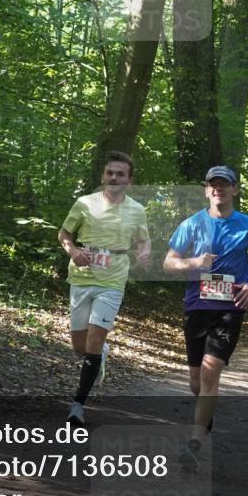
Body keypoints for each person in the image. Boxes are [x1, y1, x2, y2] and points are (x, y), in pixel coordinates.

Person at [163, 166, 248, 469]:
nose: (218, 189)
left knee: (210, 372)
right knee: (196, 381)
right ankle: (205, 421)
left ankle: (194, 444)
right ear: (206, 190)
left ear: (234, 189)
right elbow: (168, 263)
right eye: (213, 184)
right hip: (196, 306)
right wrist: (193, 262)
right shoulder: (191, 224)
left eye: (224, 184)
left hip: (230, 308)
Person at [58, 151, 150, 427]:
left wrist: (144, 252)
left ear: (129, 180)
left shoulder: (137, 210)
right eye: (110, 173)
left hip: (113, 280)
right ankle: (100, 354)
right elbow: (64, 234)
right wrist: (73, 251)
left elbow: (143, 239)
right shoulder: (84, 203)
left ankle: (78, 405)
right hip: (82, 277)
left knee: (94, 342)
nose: (114, 178)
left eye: (120, 174)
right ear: (103, 176)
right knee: (80, 346)